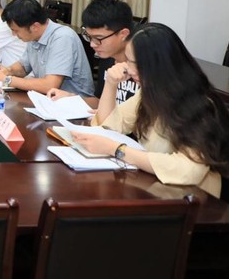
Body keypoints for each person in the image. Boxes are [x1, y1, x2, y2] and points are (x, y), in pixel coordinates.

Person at [73, 23, 229, 199]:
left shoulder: (200, 105)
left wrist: (117, 150)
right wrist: (110, 84)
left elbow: (188, 170)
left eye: (133, 62)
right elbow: (107, 127)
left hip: (195, 199)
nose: (128, 69)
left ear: (156, 65)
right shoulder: (150, 93)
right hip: (154, 188)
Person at [0, 0, 94, 96]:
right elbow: (23, 67)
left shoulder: (62, 37)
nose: (14, 34)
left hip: (73, 104)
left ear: (35, 26)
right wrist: (7, 71)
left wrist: (7, 80)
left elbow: (50, 85)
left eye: (16, 30)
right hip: (48, 100)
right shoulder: (34, 36)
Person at [48, 0, 137, 107]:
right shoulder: (107, 59)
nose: (92, 44)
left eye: (99, 38)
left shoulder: (142, 66)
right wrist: (71, 97)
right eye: (89, 37)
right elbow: (100, 102)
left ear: (123, 34)